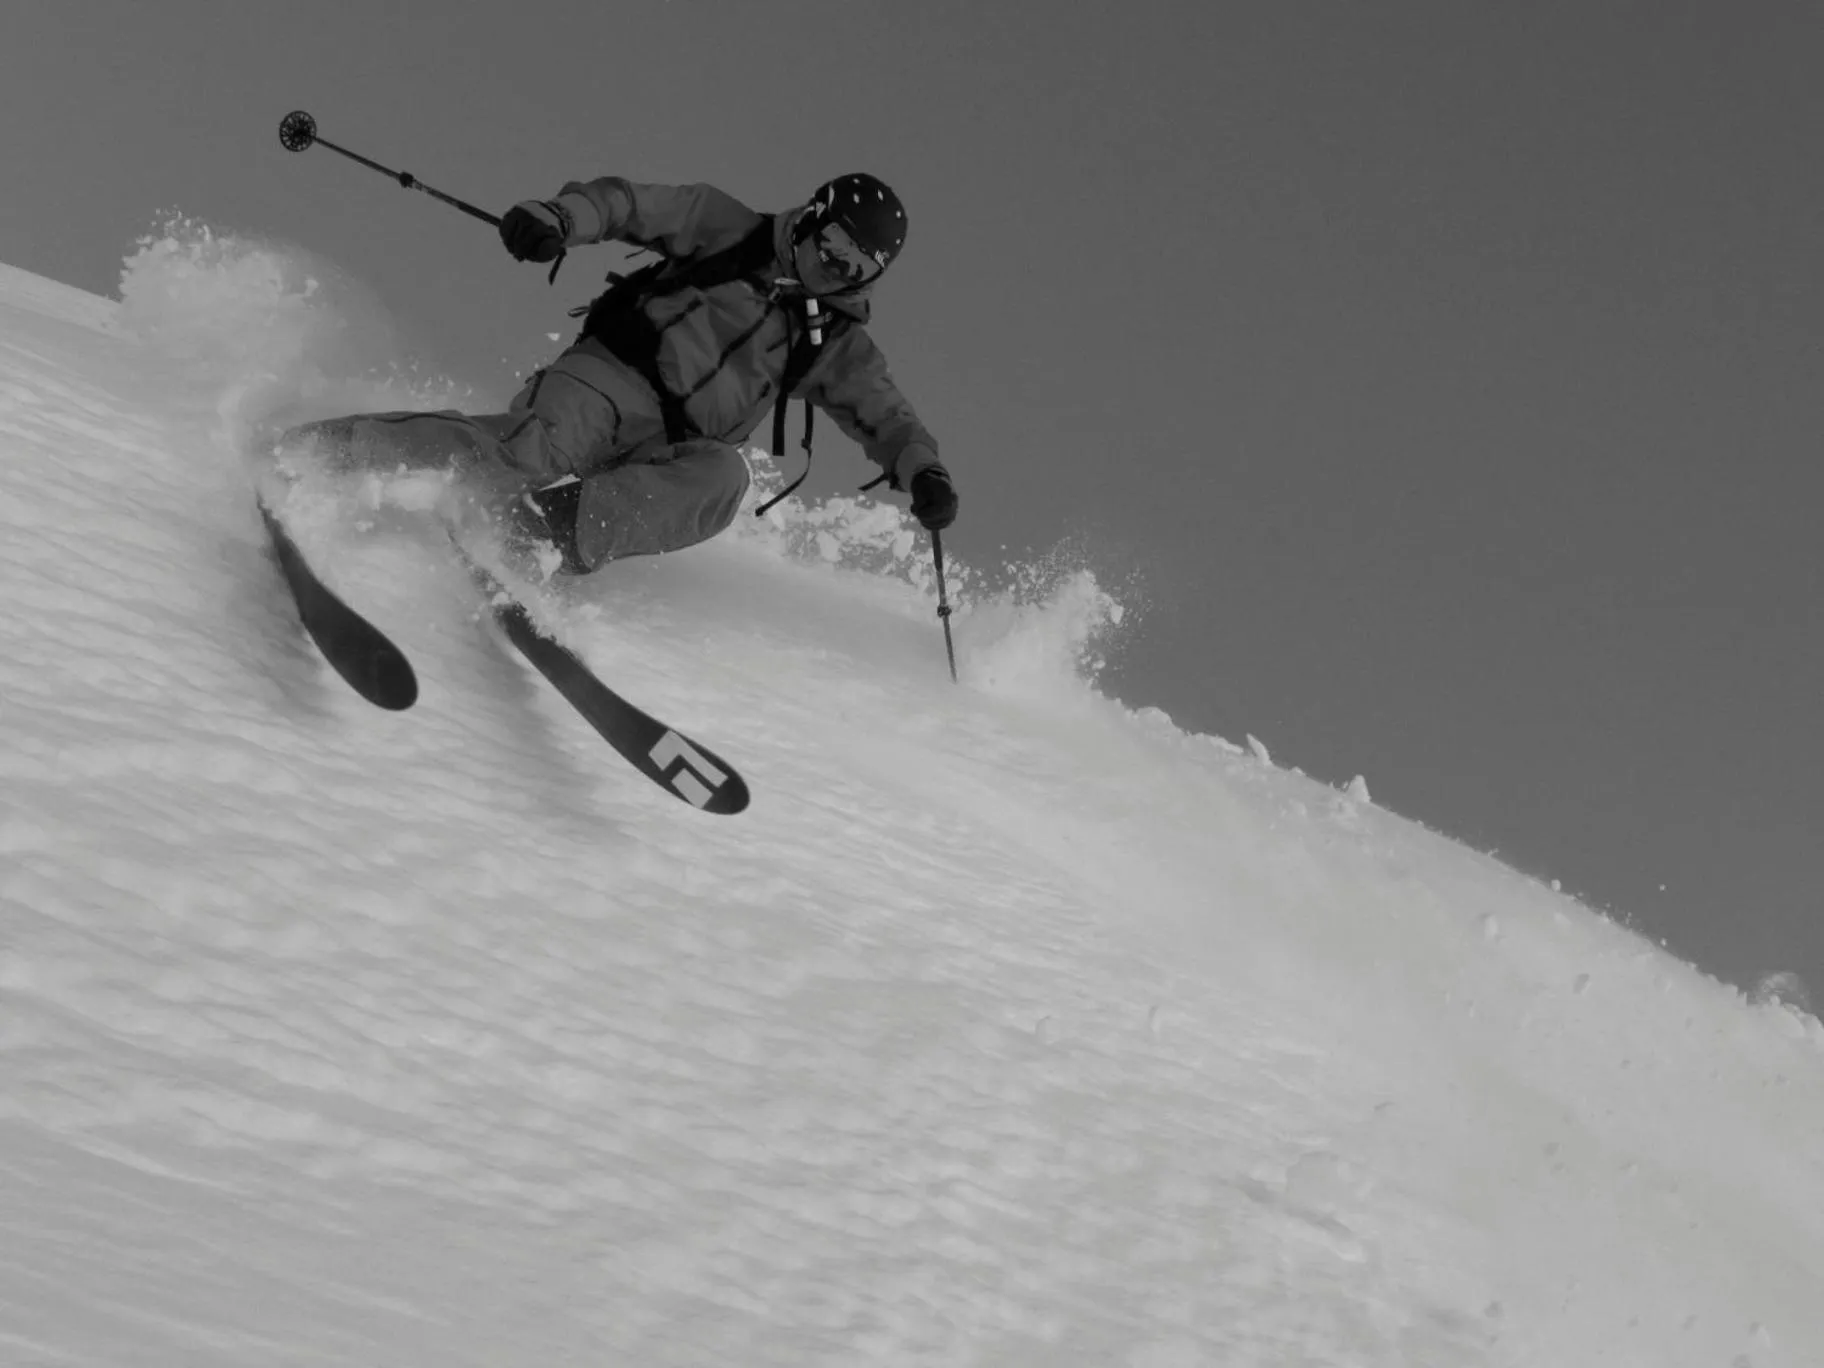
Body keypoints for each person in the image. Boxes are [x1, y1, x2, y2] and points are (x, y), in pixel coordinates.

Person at [279, 172, 956, 575]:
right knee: (529, 453)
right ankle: (326, 451)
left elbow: (888, 417)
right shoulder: (727, 227)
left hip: (675, 446)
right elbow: (629, 204)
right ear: (812, 219)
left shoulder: (835, 341)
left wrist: (925, 472)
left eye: (856, 267)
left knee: (723, 481)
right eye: (833, 246)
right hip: (610, 379)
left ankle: (537, 537)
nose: (833, 270)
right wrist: (558, 218)